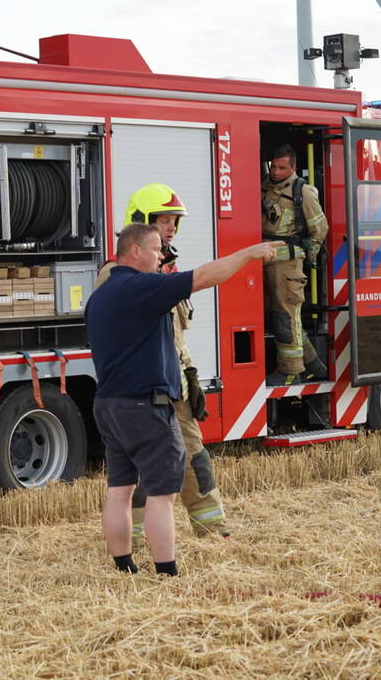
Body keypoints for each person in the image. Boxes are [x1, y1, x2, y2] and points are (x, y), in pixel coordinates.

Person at [86, 223, 275, 575]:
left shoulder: (101, 295)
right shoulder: (141, 287)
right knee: (162, 494)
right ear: (135, 252)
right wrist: (249, 253)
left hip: (108, 404)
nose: (162, 256)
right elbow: (204, 277)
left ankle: (124, 565)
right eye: (157, 249)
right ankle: (167, 570)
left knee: (120, 489)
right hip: (146, 406)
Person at [95, 183, 230, 540]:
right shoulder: (117, 277)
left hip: (173, 387)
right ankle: (135, 539)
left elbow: (174, 338)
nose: (170, 227)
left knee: (194, 459)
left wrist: (190, 375)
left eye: (173, 221)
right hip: (142, 391)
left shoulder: (163, 274)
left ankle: (214, 532)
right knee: (143, 469)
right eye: (163, 220)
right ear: (139, 224)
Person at [262, 144, 329, 386]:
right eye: (273, 166)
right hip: (266, 262)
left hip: (288, 266)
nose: (275, 171)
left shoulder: (304, 192)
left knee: (285, 317)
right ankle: (312, 364)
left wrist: (307, 252)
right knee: (283, 317)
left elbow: (320, 228)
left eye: (281, 168)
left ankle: (291, 371)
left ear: (292, 167)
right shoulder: (265, 187)